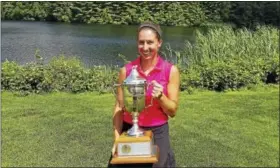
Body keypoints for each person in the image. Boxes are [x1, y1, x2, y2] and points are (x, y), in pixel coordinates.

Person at [108, 21, 180, 168]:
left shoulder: (170, 71)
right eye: (141, 43)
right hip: (129, 130)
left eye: (150, 42)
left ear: (159, 42)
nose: (145, 48)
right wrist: (117, 140)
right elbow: (119, 108)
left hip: (157, 131)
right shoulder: (126, 71)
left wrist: (161, 97)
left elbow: (172, 111)